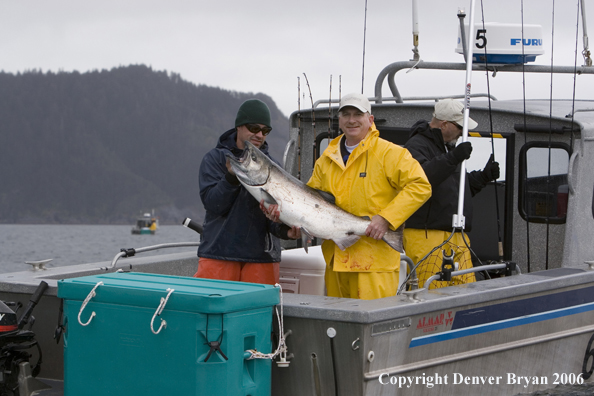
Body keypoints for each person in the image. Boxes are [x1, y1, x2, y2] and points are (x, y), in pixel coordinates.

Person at [305, 93, 432, 300]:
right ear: (340, 120)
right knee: (336, 329)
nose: (351, 120)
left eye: (358, 114)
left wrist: (386, 219)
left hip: (374, 265)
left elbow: (420, 186)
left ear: (370, 120)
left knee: (372, 329)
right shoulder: (325, 160)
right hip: (335, 262)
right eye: (346, 114)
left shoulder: (390, 153)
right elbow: (309, 200)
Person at [194, 99, 299, 285]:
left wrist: (285, 231)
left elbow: (273, 216)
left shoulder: (272, 167)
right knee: (213, 312)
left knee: (260, 313)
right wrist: (231, 177)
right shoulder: (215, 159)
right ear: (239, 126)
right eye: (253, 128)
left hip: (262, 257)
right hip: (219, 254)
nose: (259, 134)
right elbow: (213, 204)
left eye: (265, 131)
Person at [404, 98, 500, 290]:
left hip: (456, 234)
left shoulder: (448, 149)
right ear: (444, 124)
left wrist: (483, 176)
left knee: (464, 288)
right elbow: (422, 179)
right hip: (425, 234)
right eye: (460, 127)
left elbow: (455, 191)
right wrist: (453, 157)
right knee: (428, 291)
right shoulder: (416, 145)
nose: (463, 132)